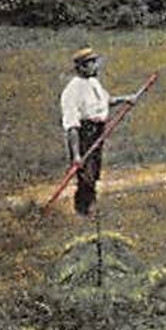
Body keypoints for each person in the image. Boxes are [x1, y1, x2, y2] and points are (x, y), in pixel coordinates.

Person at [58, 47, 136, 216]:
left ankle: (90, 206)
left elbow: (106, 102)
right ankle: (84, 209)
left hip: (97, 132)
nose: (96, 67)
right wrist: (76, 154)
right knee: (85, 173)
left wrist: (125, 99)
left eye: (95, 62)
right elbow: (72, 125)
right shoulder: (72, 91)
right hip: (83, 134)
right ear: (81, 67)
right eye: (91, 63)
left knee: (93, 171)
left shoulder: (93, 83)